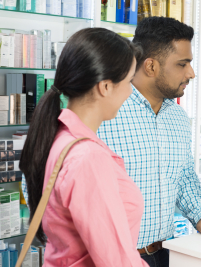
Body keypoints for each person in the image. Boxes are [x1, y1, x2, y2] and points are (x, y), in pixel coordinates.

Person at [97, 17, 201, 267]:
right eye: (183, 64)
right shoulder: (107, 111)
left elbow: (183, 177)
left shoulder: (178, 117)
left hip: (165, 252)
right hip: (114, 258)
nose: (191, 73)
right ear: (150, 66)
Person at [19, 28, 148, 267]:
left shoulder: (59, 138)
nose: (131, 92)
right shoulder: (88, 157)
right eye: (130, 81)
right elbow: (116, 260)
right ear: (105, 87)